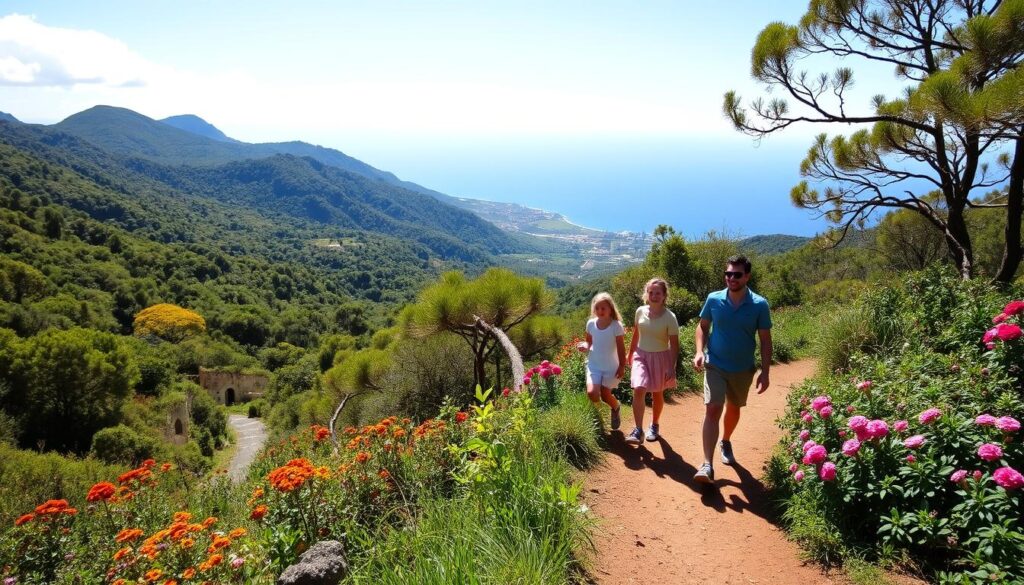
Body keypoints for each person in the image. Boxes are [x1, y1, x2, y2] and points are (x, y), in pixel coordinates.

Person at [692, 255, 772, 484]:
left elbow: (765, 340)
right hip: (715, 363)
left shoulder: (759, 304)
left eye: (737, 274)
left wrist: (765, 372)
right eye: (728, 274)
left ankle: (725, 440)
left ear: (747, 276)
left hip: (743, 369)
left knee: (734, 408)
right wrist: (699, 351)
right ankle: (707, 465)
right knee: (713, 409)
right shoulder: (713, 299)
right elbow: (702, 326)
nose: (731, 278)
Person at [624, 278, 680, 445]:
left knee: (657, 393)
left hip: (660, 357)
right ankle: (638, 430)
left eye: (658, 293)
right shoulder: (640, 311)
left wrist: (671, 366)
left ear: (664, 296)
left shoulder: (670, 317)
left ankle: (654, 425)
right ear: (646, 294)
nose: (654, 296)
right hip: (641, 355)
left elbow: (675, 346)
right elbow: (636, 333)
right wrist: (630, 352)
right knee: (639, 388)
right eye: (651, 292)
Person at [576, 292, 626, 430]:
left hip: (611, 367)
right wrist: (584, 346)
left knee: (605, 395)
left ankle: (615, 407)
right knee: (592, 393)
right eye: (597, 308)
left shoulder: (616, 326)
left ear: (610, 309)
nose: (600, 311)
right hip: (594, 365)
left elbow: (622, 349)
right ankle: (599, 417)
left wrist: (622, 366)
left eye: (603, 308)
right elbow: (589, 343)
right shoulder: (591, 324)